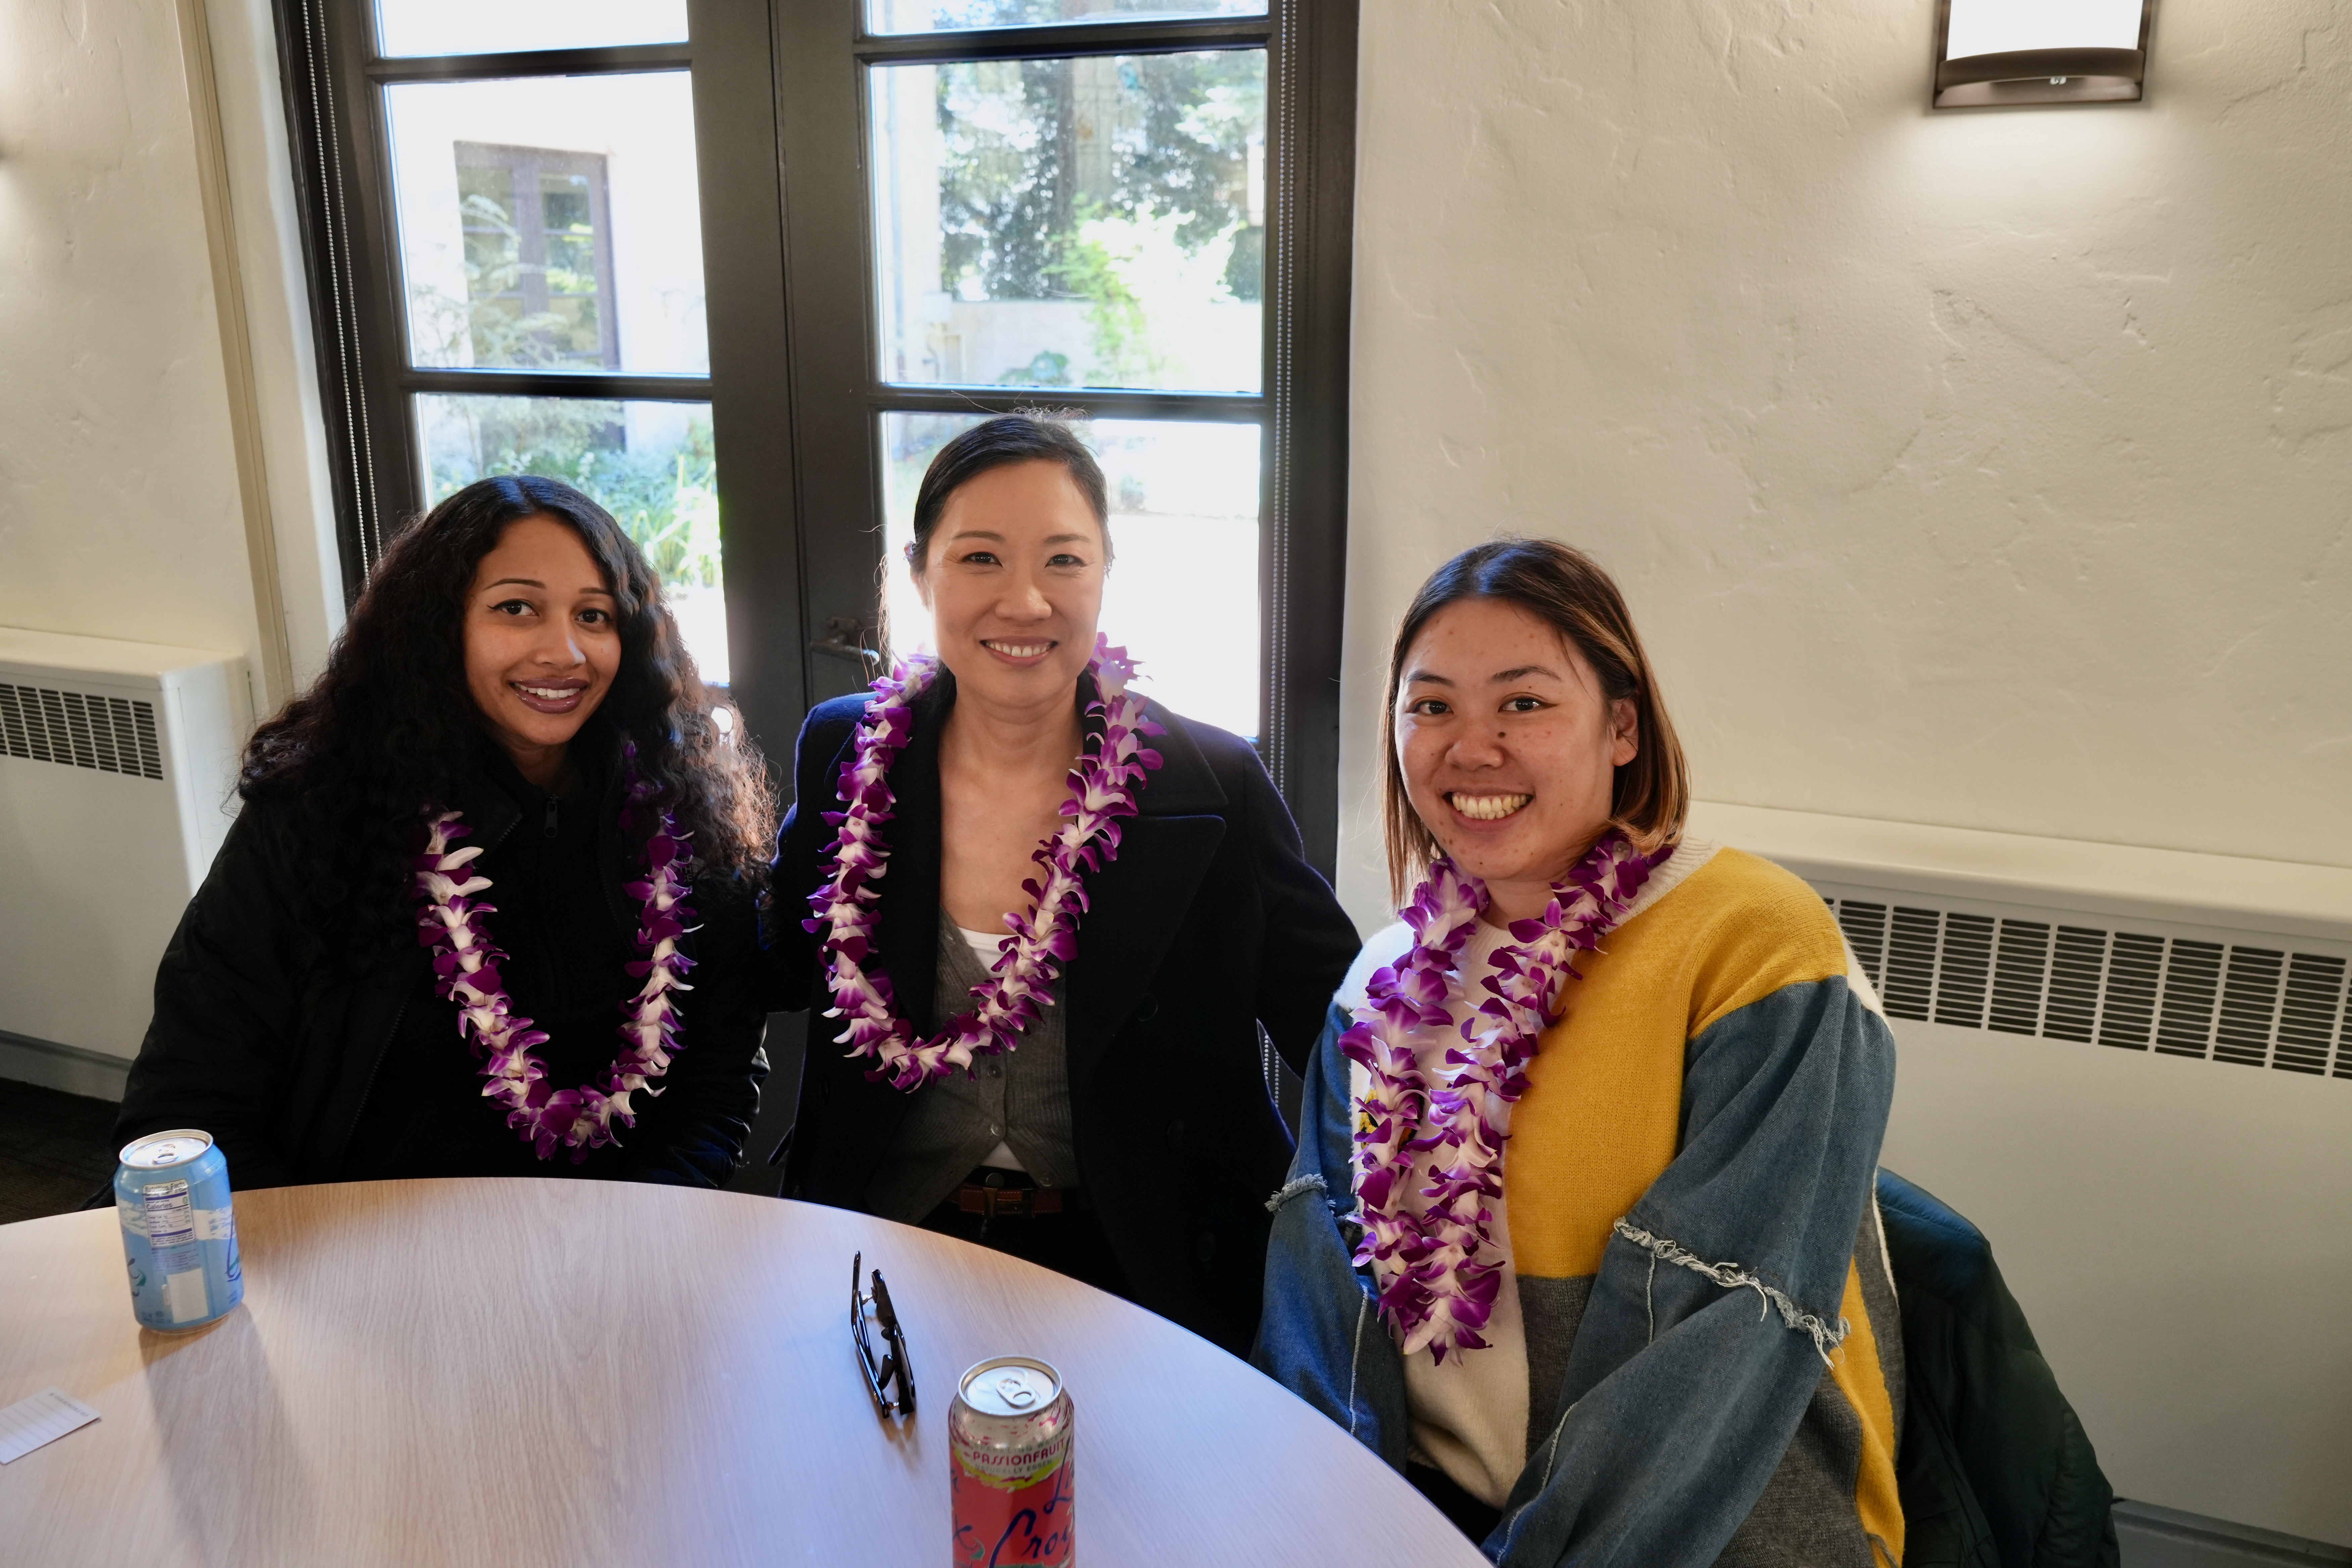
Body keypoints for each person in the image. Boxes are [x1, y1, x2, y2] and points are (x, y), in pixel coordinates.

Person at [1254, 538, 1904, 1566]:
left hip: (1710, 1528)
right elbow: (1318, 1307)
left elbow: (1722, 1345)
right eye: (1432, 707)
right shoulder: (1375, 988)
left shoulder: (1756, 946)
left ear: (1623, 729)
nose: (1473, 748)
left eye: (1524, 704)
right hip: (1428, 1519)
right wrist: (1332, 1520)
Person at [765, 414, 1358, 1354]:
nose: (1026, 602)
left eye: (1065, 561)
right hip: (887, 1250)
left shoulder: (1212, 784)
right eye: (981, 559)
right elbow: (771, 958)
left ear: (1106, 573)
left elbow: (1344, 1032)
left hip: (1150, 1270)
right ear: (921, 574)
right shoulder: (849, 752)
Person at [115, 476, 775, 1189]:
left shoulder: (683, 816)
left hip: (619, 1244)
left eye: (595, 615)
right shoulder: (317, 814)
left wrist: (652, 1229)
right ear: (437, 625)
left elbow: (719, 1077)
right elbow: (193, 1095)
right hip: (356, 1249)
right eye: (516, 608)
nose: (565, 651)